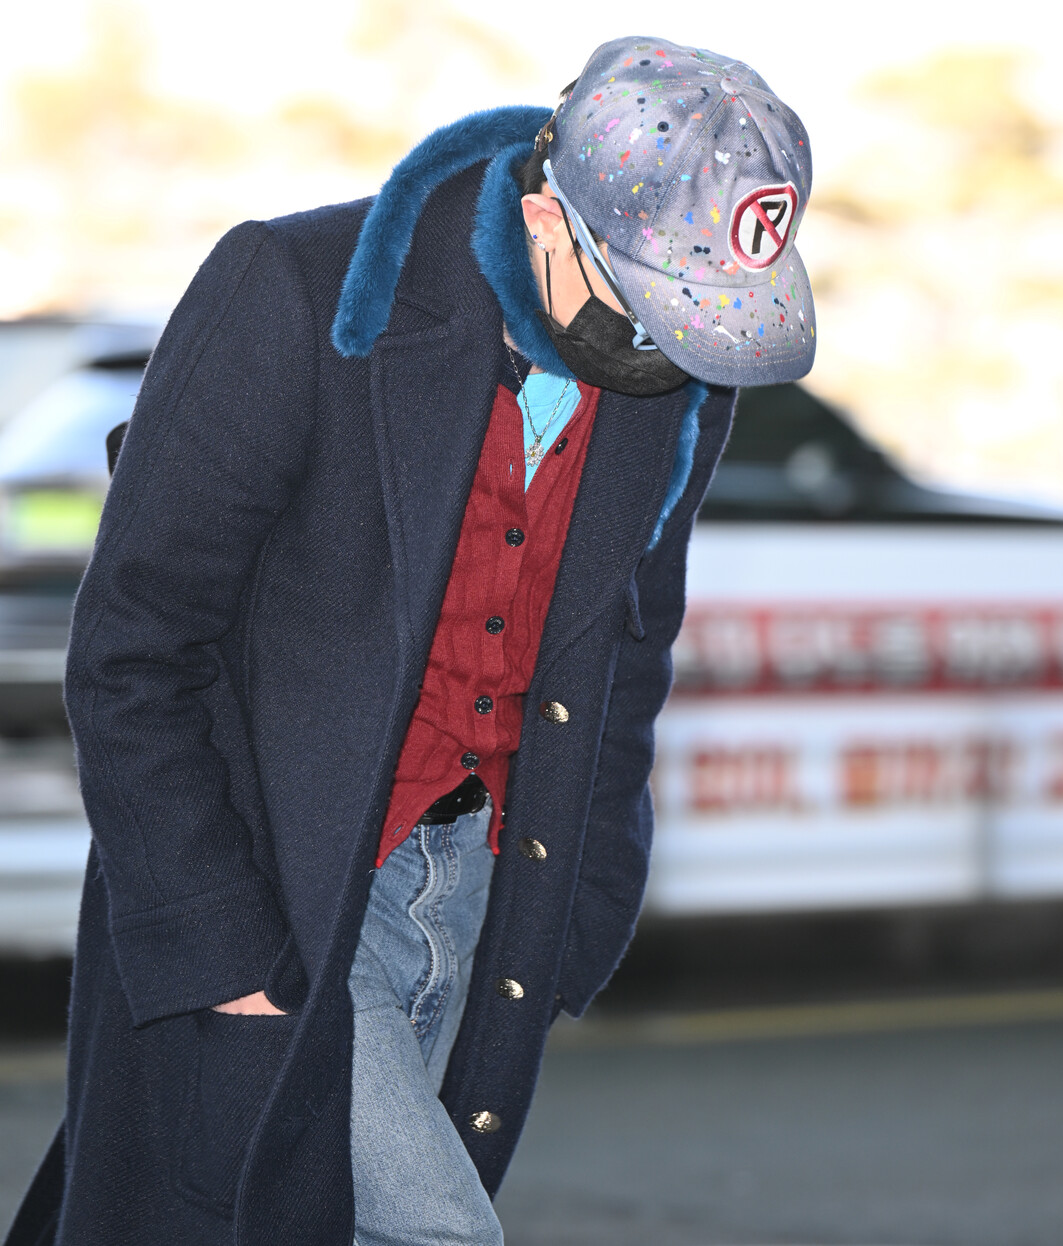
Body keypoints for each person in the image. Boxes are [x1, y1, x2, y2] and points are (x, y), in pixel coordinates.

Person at [5, 34, 815, 1246]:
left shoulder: (683, 372)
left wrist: (577, 905)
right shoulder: (294, 290)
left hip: (483, 895)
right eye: (650, 306)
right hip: (285, 885)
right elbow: (132, 644)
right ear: (548, 221)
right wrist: (219, 942)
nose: (671, 347)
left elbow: (628, 650)